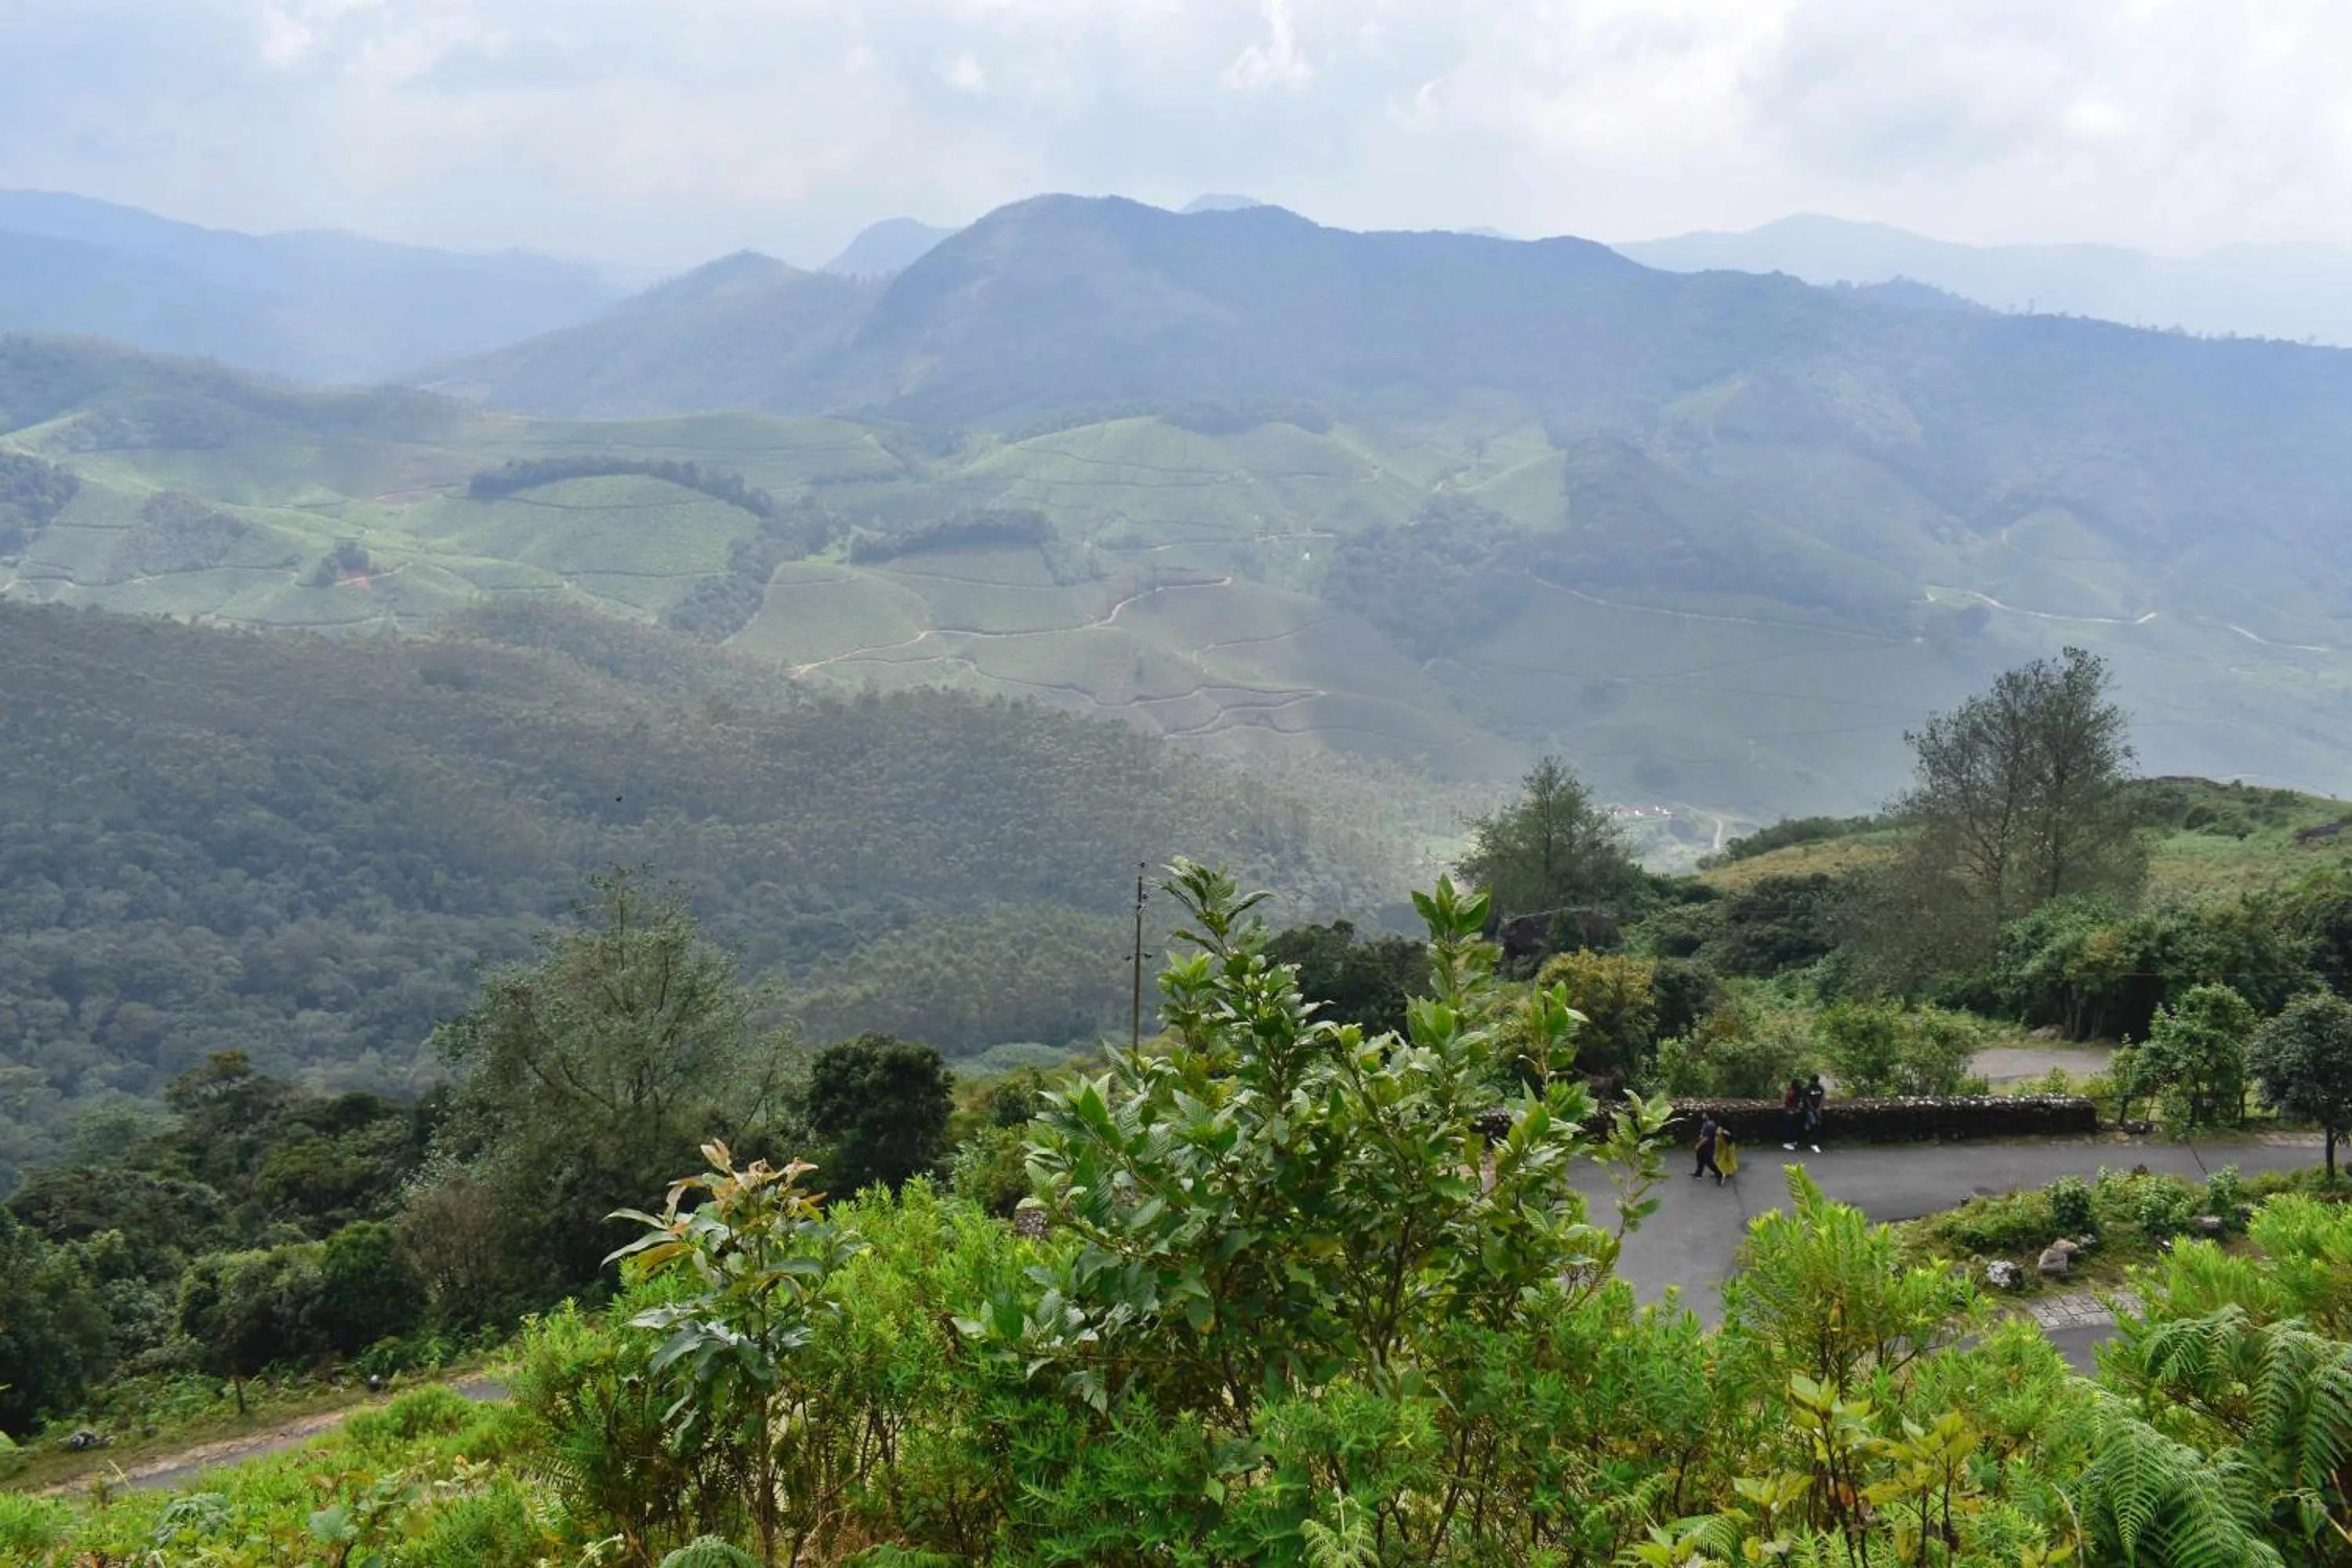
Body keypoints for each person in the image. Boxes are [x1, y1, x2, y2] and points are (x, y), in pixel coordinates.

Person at [1692, 1114, 1723, 1185]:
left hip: (1708, 1147)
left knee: (1709, 1162)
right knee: (1700, 1159)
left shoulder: (1710, 1125)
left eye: (1704, 1114)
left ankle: (1719, 1174)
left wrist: (1698, 1144)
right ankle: (1698, 1174)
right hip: (1703, 1146)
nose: (1703, 1115)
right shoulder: (1706, 1123)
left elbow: (1706, 1138)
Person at [1802, 1073, 1826, 1153]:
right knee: (1812, 1125)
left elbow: (1822, 1098)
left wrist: (1819, 1109)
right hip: (1809, 1110)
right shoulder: (1807, 1089)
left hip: (1817, 1109)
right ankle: (1812, 1143)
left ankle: (1814, 1142)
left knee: (1816, 1125)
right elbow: (1807, 1100)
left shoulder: (1820, 1088)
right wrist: (1813, 1109)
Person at [1782, 1078, 1804, 1150]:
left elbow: (1799, 1101)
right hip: (1790, 1111)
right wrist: (1794, 1109)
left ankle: (1792, 1141)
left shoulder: (1797, 1091)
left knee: (1794, 1127)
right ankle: (1786, 1143)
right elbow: (1788, 1102)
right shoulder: (1792, 1092)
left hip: (1794, 1111)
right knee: (1789, 1127)